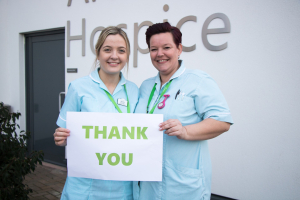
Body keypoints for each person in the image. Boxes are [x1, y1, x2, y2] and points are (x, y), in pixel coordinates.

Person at [133, 22, 233, 200]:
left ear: (179, 49)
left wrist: (186, 131)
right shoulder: (146, 86)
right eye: (154, 49)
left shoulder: (198, 81)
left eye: (166, 47)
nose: (160, 54)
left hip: (183, 184)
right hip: (149, 183)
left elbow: (222, 122)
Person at [53, 26, 139, 200]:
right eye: (107, 50)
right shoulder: (78, 88)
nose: (114, 56)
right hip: (84, 189)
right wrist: (60, 138)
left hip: (123, 190)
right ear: (98, 53)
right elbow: (62, 134)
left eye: (121, 51)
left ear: (127, 55)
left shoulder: (134, 91)